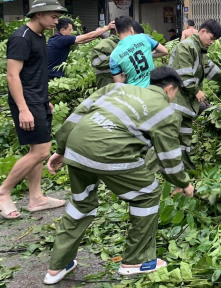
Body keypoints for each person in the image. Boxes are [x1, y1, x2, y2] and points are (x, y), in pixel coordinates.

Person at [43, 67, 193, 284]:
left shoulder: (115, 88)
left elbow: (76, 115)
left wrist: (61, 149)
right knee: (148, 194)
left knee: (80, 205)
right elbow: (169, 158)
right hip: (110, 152)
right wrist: (183, 183)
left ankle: (56, 267)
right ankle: (136, 260)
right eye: (174, 94)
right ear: (170, 89)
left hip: (77, 147)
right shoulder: (165, 112)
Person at [0, 0, 68, 220]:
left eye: (58, 18)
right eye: (53, 17)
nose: (56, 22)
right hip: (26, 102)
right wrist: (24, 108)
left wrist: (43, 99)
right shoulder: (21, 38)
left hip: (37, 100)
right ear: (38, 14)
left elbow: (34, 74)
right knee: (42, 151)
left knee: (36, 152)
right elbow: (12, 75)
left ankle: (36, 197)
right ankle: (3, 191)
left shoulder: (39, 36)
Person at [168, 19, 221, 168]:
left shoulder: (200, 50)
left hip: (185, 104)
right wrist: (196, 90)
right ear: (203, 31)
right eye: (211, 38)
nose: (212, 43)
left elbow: (211, 71)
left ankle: (184, 170)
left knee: (184, 139)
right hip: (175, 101)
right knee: (169, 138)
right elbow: (182, 75)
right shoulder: (186, 47)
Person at [109, 16, 168, 87]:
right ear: (131, 29)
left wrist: (126, 74)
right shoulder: (143, 37)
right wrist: (148, 54)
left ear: (117, 31)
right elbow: (164, 51)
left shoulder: (114, 56)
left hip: (134, 93)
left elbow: (118, 82)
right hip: (152, 88)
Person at [47, 18, 116, 79]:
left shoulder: (57, 38)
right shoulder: (61, 39)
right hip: (52, 75)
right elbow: (87, 36)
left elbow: (83, 41)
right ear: (62, 30)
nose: (71, 32)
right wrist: (107, 28)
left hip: (51, 73)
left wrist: (97, 35)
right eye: (70, 30)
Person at [91, 19, 145, 88]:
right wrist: (120, 58)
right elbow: (95, 61)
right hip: (107, 88)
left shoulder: (133, 46)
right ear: (130, 31)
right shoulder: (107, 43)